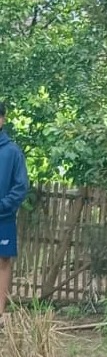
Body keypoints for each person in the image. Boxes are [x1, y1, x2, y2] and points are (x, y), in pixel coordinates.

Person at [0, 102, 29, 320]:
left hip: (4, 218)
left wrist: (3, 206)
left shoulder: (12, 152)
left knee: (3, 262)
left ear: (3, 119)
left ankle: (0, 313)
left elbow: (20, 187)